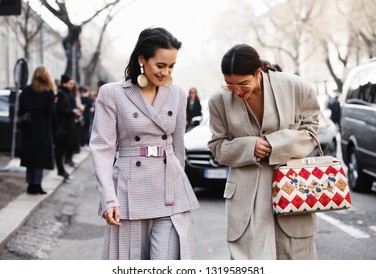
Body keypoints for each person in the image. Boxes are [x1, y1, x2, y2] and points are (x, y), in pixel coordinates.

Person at [89, 27, 200, 260]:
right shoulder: (112, 93)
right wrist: (109, 198)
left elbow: (178, 146)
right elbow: (102, 148)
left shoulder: (177, 94)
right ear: (142, 59)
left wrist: (174, 178)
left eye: (171, 66)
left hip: (170, 189)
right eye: (160, 65)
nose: (166, 72)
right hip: (129, 190)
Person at [207, 44, 320, 260]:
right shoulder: (218, 102)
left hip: (293, 186)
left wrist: (275, 143)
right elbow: (217, 147)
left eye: (243, 83)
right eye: (229, 84)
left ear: (258, 73)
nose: (237, 91)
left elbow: (311, 132)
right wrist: (249, 147)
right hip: (247, 195)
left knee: (296, 257)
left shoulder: (297, 87)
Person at [18, 66, 55, 195]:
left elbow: (21, 109)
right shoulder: (49, 91)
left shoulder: (26, 91)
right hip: (42, 129)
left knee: (30, 158)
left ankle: (30, 185)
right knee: (39, 159)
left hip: (28, 128)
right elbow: (50, 111)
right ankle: (37, 184)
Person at [53, 74, 81, 180]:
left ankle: (62, 170)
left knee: (63, 149)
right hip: (61, 128)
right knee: (60, 150)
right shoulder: (61, 94)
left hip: (66, 127)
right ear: (64, 83)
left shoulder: (66, 93)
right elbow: (60, 111)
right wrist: (72, 112)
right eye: (70, 83)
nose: (72, 85)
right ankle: (61, 171)